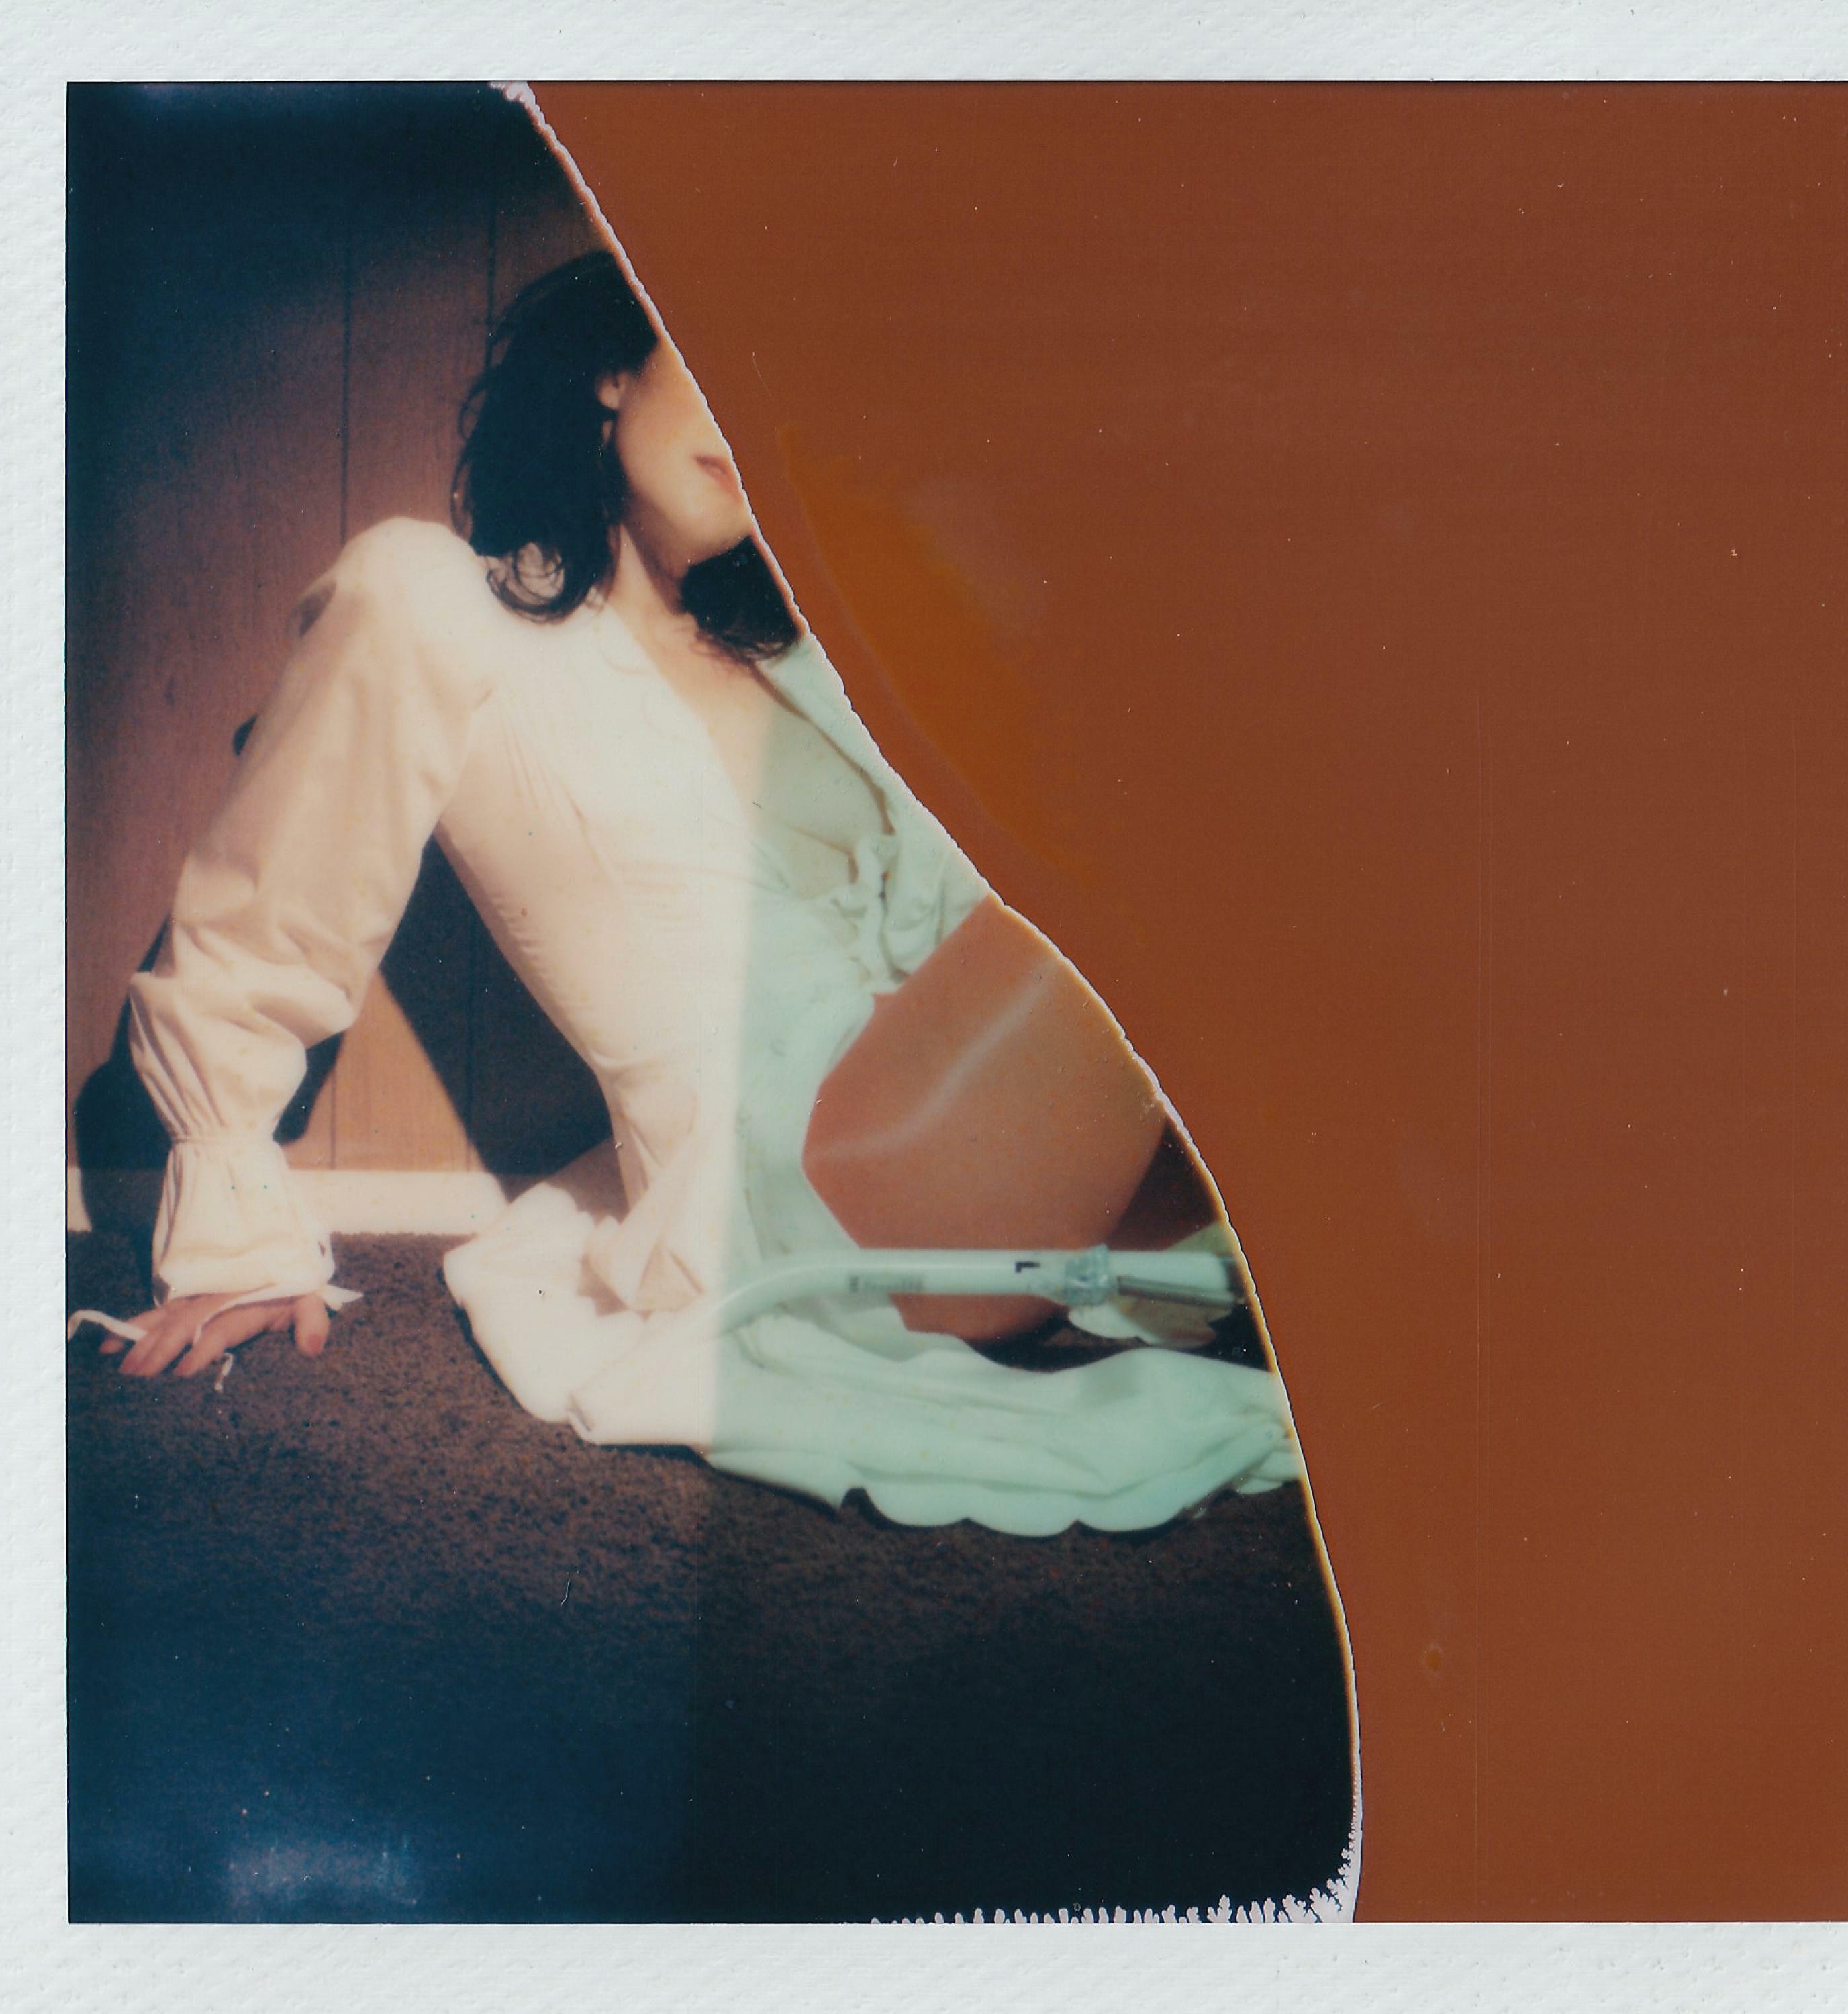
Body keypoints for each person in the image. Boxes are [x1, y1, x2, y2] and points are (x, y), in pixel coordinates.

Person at [79, 251, 1306, 1536]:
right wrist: (233, 1232)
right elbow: (269, 916)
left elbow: (974, 962)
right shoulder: (439, 600)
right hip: (809, 1189)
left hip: (974, 1160)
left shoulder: (809, 667)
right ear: (618, 367)